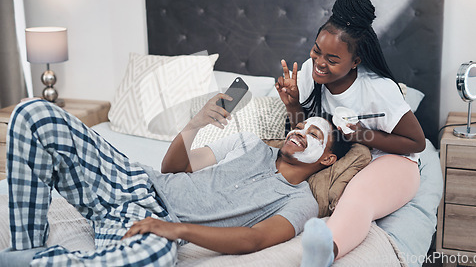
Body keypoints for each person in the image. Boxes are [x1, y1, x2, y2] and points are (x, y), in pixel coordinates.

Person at [1, 93, 351, 267]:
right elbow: (171, 168)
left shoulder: (301, 201)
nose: (301, 132)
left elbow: (254, 239)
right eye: (301, 125)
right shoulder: (248, 144)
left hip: (154, 222)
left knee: (152, 256)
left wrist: (176, 231)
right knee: (34, 113)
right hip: (132, 181)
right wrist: (194, 124)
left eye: (315, 135)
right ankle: (26, 247)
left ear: (327, 159)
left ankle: (38, 263)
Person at [275, 0, 426, 266]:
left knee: (358, 194)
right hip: (342, 157)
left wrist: (362, 135)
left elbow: (417, 143)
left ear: (355, 61)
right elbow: (301, 125)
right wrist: (293, 103)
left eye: (332, 60)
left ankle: (324, 251)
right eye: (316, 51)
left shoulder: (378, 89)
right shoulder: (310, 71)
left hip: (391, 160)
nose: (320, 63)